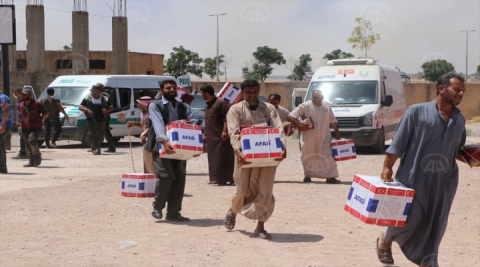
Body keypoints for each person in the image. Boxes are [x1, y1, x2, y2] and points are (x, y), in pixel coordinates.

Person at [375, 73, 466, 267]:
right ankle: (386, 239)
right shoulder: (416, 112)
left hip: (444, 182)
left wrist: (473, 157)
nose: (461, 93)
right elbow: (398, 143)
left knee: (436, 223)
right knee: (410, 218)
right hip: (414, 177)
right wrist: (387, 167)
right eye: (457, 89)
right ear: (441, 89)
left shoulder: (460, 120)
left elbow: (457, 150)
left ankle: (428, 260)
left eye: (463, 91)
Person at [223, 79, 286, 240]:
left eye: (255, 92)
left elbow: (278, 127)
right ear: (243, 93)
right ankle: (234, 210)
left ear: (259, 92)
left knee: (265, 191)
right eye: (249, 92)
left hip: (268, 157)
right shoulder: (235, 110)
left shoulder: (269, 108)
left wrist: (283, 147)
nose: (252, 95)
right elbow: (233, 132)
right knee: (243, 191)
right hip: (244, 157)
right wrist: (238, 150)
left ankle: (260, 227)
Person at [145, 79, 193, 221]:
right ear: (161, 90)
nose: (171, 90)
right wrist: (165, 142)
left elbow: (191, 125)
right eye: (167, 88)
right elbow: (158, 124)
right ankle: (157, 207)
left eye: (173, 87)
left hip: (181, 149)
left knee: (179, 179)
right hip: (160, 146)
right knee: (165, 176)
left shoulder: (184, 106)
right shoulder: (155, 106)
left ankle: (173, 212)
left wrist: (195, 145)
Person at [287, 90, 341, 183]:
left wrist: (337, 132)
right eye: (313, 97)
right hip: (309, 137)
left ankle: (330, 177)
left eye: (317, 98)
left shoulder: (326, 106)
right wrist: (299, 125)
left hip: (324, 136)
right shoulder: (305, 106)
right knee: (307, 156)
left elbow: (333, 120)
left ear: (322, 98)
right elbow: (290, 116)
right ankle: (307, 175)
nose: (314, 99)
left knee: (327, 155)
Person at [200, 85, 234, 185]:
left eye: (202, 93)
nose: (201, 95)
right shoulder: (207, 105)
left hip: (221, 135)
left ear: (206, 93)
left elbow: (226, 119)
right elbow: (207, 121)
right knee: (213, 157)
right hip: (211, 136)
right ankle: (215, 178)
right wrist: (205, 134)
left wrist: (225, 131)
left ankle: (227, 178)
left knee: (223, 157)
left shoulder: (221, 103)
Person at [79, 85, 113, 155]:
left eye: (94, 91)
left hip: (102, 119)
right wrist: (87, 110)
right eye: (92, 91)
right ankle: (95, 149)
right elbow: (80, 107)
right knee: (93, 134)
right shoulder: (87, 98)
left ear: (98, 92)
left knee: (100, 134)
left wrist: (106, 111)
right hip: (91, 119)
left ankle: (96, 146)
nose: (92, 92)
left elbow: (111, 107)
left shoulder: (105, 98)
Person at [18, 88, 48, 167]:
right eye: (23, 94)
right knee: (27, 144)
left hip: (35, 127)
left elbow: (46, 114)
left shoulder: (37, 104)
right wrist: (19, 121)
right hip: (25, 127)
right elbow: (20, 114)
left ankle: (37, 156)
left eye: (25, 94)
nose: (23, 96)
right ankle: (31, 161)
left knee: (32, 140)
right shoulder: (21, 105)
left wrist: (40, 120)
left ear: (30, 95)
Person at [126, 96, 155, 174]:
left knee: (152, 159)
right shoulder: (143, 113)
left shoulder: (152, 113)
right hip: (146, 139)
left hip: (152, 139)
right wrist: (134, 124)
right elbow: (143, 125)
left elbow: (153, 127)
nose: (137, 106)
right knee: (147, 158)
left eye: (139, 104)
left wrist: (144, 135)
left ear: (144, 104)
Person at [96, 83, 116, 153]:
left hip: (104, 116)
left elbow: (109, 107)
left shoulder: (104, 95)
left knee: (106, 131)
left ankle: (112, 147)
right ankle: (95, 146)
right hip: (100, 116)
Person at [12, 88, 28, 159]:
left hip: (27, 122)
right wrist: (19, 120)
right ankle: (26, 152)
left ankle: (23, 153)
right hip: (23, 121)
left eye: (16, 94)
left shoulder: (26, 101)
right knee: (23, 137)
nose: (15, 96)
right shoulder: (20, 100)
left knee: (24, 137)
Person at [0, 89, 13, 173]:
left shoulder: (2, 97)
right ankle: (3, 168)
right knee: (1, 146)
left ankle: (2, 168)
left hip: (4, 125)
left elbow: (6, 111)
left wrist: (3, 124)